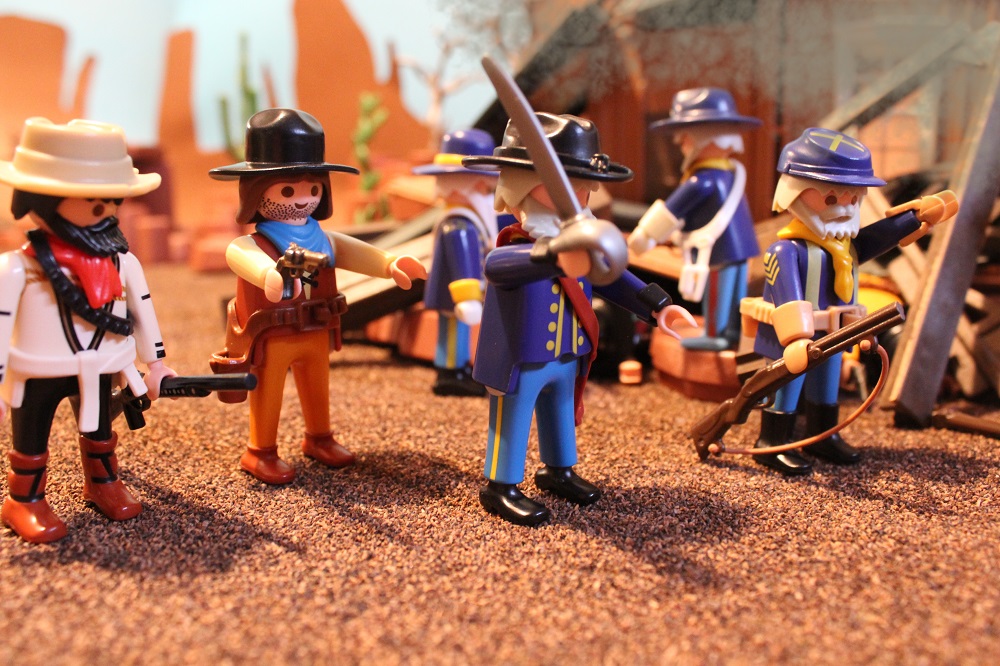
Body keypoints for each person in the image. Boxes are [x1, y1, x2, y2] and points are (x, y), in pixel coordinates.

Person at [464, 113, 695, 526]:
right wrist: (556, 255)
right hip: (521, 358)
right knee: (513, 419)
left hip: (568, 352)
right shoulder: (514, 250)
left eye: (585, 184)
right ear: (524, 185)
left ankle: (559, 470)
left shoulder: (581, 249)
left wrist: (658, 305)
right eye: (568, 184)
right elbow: (499, 267)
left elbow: (613, 278)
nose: (582, 193)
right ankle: (500, 486)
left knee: (559, 413)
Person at [210, 108, 426, 485]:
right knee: (269, 390)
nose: (302, 200)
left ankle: (319, 438)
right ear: (257, 191)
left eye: (312, 189)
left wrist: (390, 263)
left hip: (315, 327)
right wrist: (269, 274)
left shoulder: (320, 238)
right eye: (288, 190)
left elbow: (353, 251)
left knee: (317, 386)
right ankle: (260, 451)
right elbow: (244, 259)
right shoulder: (253, 243)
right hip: (272, 333)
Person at [0, 117, 175, 543]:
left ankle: (103, 482)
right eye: (93, 202)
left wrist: (156, 364)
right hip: (38, 369)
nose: (105, 213)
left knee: (99, 431)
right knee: (31, 436)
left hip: (103, 364)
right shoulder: (18, 267)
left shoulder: (122, 262)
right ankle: (24, 500)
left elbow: (142, 310)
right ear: (43, 199)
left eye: (111, 202)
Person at [745, 127, 958, 475]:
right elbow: (787, 295)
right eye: (831, 199)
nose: (844, 208)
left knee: (827, 387)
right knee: (786, 387)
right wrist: (795, 339)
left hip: (837, 332)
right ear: (795, 192)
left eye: (853, 199)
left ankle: (822, 436)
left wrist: (917, 217)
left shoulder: (846, 248)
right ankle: (772, 443)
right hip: (793, 339)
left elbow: (880, 235)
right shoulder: (785, 250)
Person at [628, 87, 761, 351]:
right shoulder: (733, 172)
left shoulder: (702, 180)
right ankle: (734, 331)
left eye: (685, 137)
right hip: (742, 246)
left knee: (717, 292)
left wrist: (645, 235)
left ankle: (715, 334)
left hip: (717, 250)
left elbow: (672, 209)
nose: (680, 144)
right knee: (736, 292)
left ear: (704, 138)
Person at [414, 129, 498, 396]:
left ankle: (457, 368)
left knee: (457, 330)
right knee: (452, 330)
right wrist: (467, 297)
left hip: (458, 293)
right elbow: (463, 261)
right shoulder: (458, 224)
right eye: (484, 184)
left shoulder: (468, 217)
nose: (487, 190)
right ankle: (450, 372)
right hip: (455, 293)